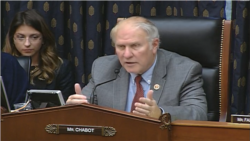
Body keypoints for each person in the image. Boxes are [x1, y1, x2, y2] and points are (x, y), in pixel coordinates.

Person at [66, 16, 207, 121]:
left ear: (154, 45)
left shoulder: (185, 70)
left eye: (135, 46)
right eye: (121, 47)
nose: (126, 55)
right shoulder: (103, 67)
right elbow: (86, 106)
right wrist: (76, 107)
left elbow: (198, 113)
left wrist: (160, 113)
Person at [3, 9, 74, 101]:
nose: (27, 43)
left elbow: (66, 107)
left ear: (43, 39)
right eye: (21, 37)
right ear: (13, 39)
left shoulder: (61, 67)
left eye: (34, 37)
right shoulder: (3, 65)